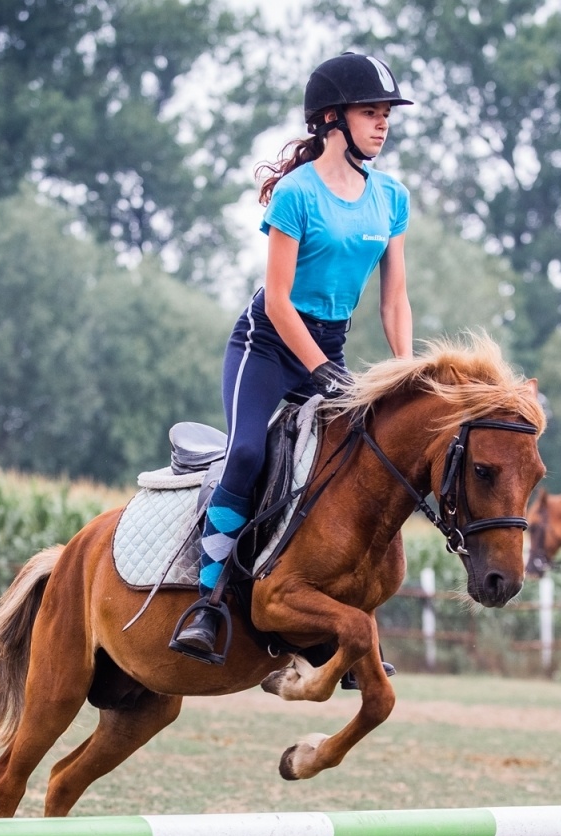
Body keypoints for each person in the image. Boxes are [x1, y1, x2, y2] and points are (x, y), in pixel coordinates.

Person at [172, 51, 416, 661]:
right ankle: (206, 600)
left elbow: (395, 301)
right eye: (370, 112)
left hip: (329, 347)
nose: (382, 124)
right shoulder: (295, 194)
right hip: (268, 344)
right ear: (332, 118)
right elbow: (278, 302)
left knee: (354, 461)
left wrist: (409, 372)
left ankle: (333, 615)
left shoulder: (391, 197)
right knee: (251, 450)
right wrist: (319, 371)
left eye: (386, 114)